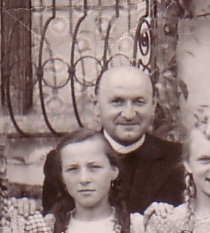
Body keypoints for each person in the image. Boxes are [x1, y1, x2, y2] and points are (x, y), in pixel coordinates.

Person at [42, 64, 185, 215]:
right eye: (117, 102)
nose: (129, 114)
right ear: (96, 106)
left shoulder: (178, 159)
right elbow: (56, 225)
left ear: (153, 106)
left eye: (139, 102)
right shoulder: (65, 160)